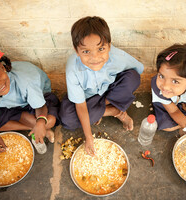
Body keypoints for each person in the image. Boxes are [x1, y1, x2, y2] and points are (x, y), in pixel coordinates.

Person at [59, 16, 144, 156]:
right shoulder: (72, 67)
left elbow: (137, 70)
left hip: (109, 94)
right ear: (76, 50)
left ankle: (102, 109)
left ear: (109, 46)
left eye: (101, 49)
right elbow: (80, 105)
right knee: (67, 119)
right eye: (86, 51)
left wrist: (119, 88)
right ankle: (114, 111)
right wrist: (89, 137)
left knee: (133, 78)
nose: (95, 58)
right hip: (87, 99)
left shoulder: (118, 56)